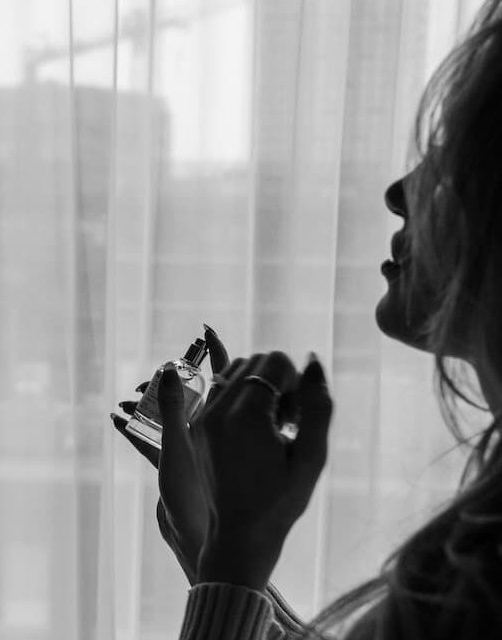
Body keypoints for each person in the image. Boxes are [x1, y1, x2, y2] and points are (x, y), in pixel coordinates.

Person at [111, 0, 502, 637]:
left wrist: (232, 558)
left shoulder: (481, 572)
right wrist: (218, 548)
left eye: (451, 156)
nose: (398, 193)